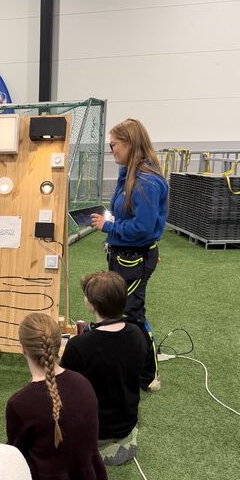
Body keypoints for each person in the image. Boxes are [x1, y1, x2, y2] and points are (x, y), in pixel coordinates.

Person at [9, 312, 159, 480]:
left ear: (23, 348)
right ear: (58, 343)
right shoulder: (83, 383)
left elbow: (18, 454)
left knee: (12, 478)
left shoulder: (20, 403)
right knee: (74, 453)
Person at [91, 118, 168, 392]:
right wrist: (111, 231)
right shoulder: (130, 173)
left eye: (113, 144)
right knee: (123, 311)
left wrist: (109, 227)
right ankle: (129, 366)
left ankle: (149, 375)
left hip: (134, 257)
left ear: (129, 144)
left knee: (132, 314)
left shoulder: (146, 181)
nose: (111, 149)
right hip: (124, 253)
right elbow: (130, 216)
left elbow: (143, 227)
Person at [61, 272, 156, 465]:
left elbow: (62, 391)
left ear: (91, 304)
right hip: (127, 422)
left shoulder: (79, 346)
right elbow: (146, 374)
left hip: (93, 430)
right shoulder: (139, 333)